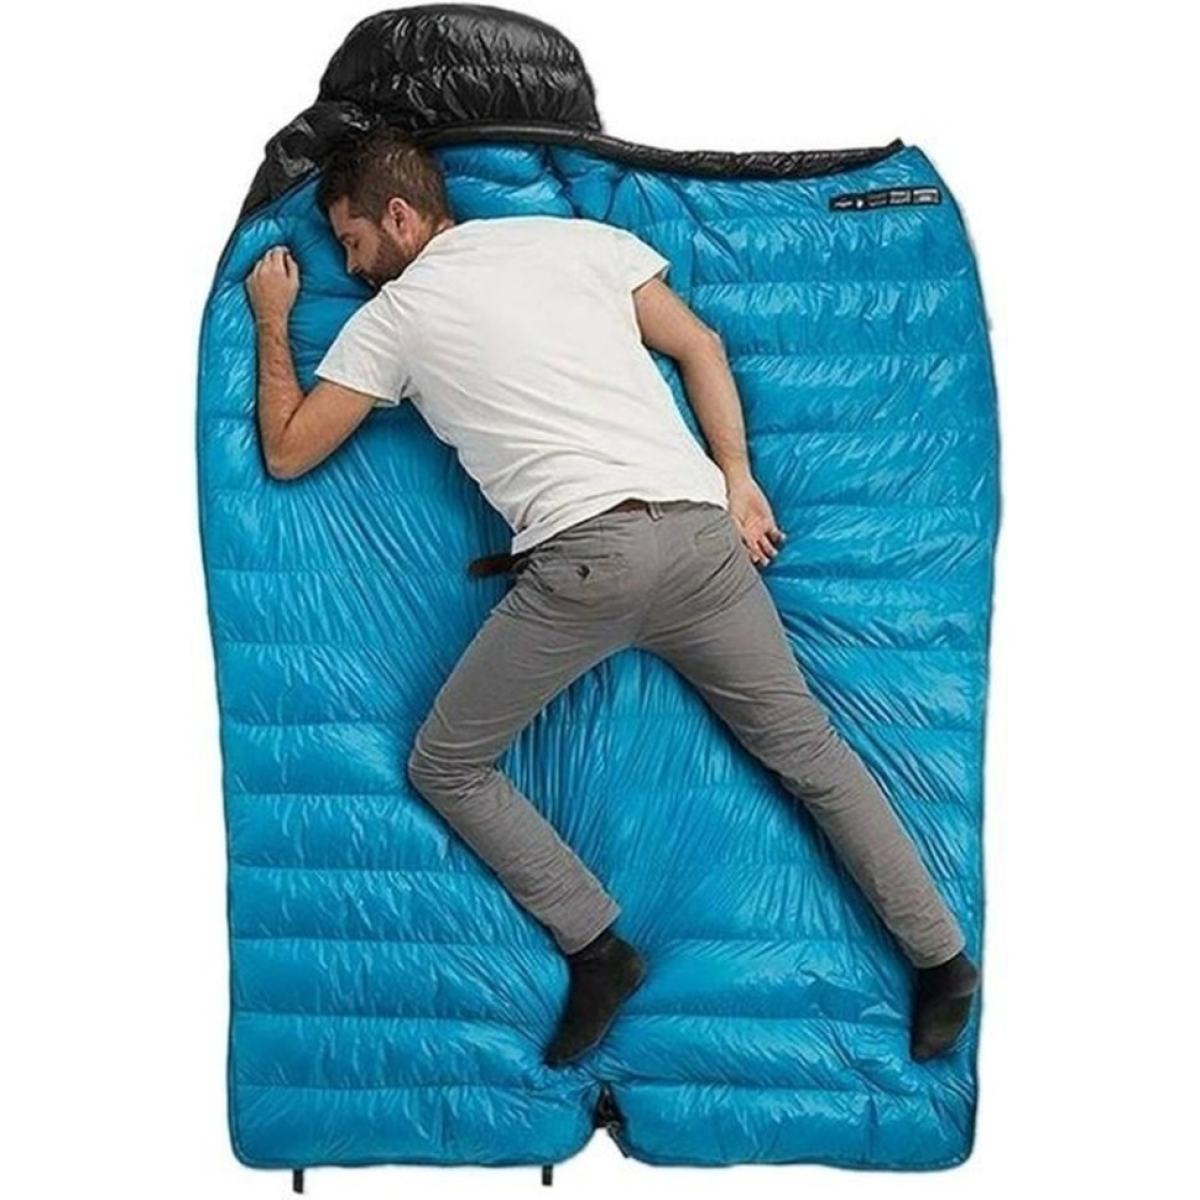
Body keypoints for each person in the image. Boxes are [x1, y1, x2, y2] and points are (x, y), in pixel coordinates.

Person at [243, 125, 980, 1068]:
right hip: (704, 541)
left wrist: (273, 318)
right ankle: (943, 960)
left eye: (352, 242)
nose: (351, 269)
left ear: (400, 215)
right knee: (813, 755)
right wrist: (738, 478)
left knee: (446, 765)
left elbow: (288, 450)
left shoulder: (397, 315)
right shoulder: (579, 242)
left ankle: (598, 948)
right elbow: (700, 345)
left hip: (589, 564)